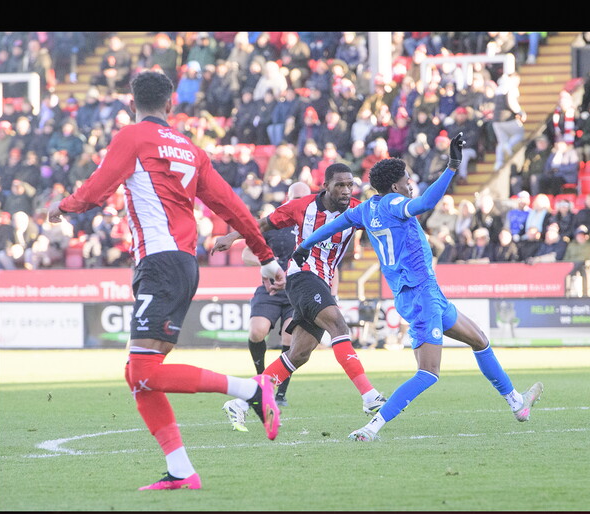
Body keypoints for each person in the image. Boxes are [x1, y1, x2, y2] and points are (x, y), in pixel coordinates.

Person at [46, 70, 287, 491]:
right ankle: (180, 469)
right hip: (181, 263)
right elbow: (233, 206)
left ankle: (252, 388)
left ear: (131, 101)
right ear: (171, 104)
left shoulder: (133, 137)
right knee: (140, 374)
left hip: (159, 263)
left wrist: (63, 207)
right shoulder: (191, 150)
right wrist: (265, 256)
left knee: (142, 370)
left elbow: (97, 190)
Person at [291, 133, 543, 441]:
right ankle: (371, 428)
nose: (411, 185)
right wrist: (452, 166)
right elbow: (426, 203)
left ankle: (517, 402)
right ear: (396, 186)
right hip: (421, 295)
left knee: (478, 339)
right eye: (408, 180)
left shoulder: (366, 208)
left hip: (425, 293)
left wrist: (304, 244)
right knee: (428, 373)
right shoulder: (396, 203)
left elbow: (333, 225)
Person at [214, 163, 387, 425]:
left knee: (299, 354)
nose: (345, 190)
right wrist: (232, 236)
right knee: (339, 325)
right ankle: (369, 395)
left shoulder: (356, 208)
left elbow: (384, 217)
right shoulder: (302, 206)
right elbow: (263, 223)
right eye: (340, 185)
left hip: (322, 281)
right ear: (326, 185)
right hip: (302, 276)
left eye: (350, 185)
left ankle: (240, 402)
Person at [211, 182, 311, 407]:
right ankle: (260, 379)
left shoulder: (315, 224)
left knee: (289, 338)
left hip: (298, 290)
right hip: (271, 289)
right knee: (257, 331)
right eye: (295, 199)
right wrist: (268, 264)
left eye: (303, 200)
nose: (299, 204)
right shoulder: (274, 223)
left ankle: (280, 393)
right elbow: (247, 253)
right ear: (287, 199)